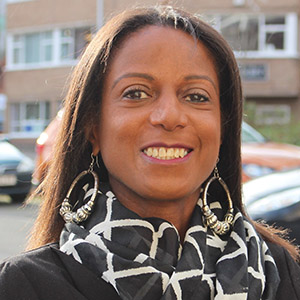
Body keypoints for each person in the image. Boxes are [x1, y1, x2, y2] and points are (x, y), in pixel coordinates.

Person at [1, 5, 300, 300]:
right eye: (136, 93)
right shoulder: (22, 287)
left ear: (223, 130)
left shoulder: (283, 273)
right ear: (93, 128)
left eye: (196, 96)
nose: (169, 116)